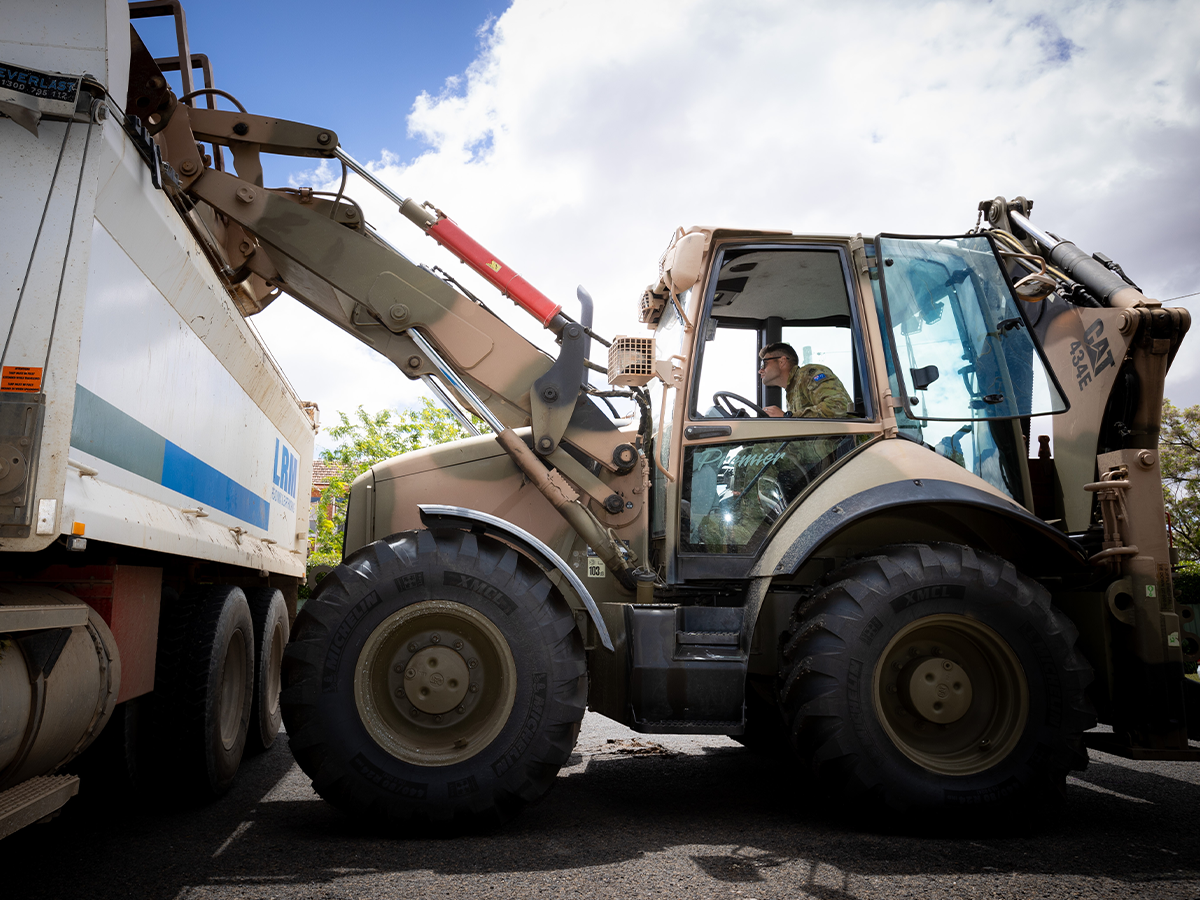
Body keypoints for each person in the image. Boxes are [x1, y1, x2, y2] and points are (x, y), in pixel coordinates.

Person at [757, 342, 852, 419]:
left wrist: (787, 416)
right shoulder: (791, 392)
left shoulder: (808, 374)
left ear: (782, 362)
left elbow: (839, 406)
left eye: (763, 364)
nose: (760, 370)